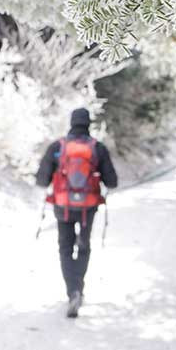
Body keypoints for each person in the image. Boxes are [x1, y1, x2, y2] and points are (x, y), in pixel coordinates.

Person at [36, 107, 118, 317]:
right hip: (87, 207)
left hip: (63, 206)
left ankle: (71, 291)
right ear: (88, 124)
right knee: (83, 246)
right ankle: (78, 289)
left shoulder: (58, 147)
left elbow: (41, 179)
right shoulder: (97, 148)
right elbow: (113, 181)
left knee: (64, 247)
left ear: (71, 123)